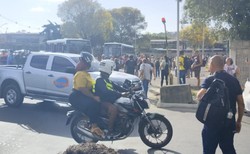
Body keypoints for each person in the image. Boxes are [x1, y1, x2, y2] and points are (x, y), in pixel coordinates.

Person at [197, 55, 244, 154]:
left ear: (212, 65)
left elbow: (199, 96)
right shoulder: (234, 80)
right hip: (228, 122)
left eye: (209, 64)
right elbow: (240, 102)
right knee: (229, 150)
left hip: (211, 123)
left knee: (208, 151)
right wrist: (239, 121)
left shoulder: (210, 79)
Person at [68, 52, 104, 138]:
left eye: (80, 61)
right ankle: (94, 126)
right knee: (93, 104)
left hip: (81, 95)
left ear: (85, 64)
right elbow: (82, 89)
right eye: (79, 61)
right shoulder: (80, 74)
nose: (78, 63)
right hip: (77, 96)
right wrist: (94, 97)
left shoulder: (86, 74)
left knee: (99, 104)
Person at [94, 59, 128, 136]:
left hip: (108, 100)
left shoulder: (106, 79)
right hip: (101, 102)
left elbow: (116, 86)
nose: (112, 70)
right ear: (107, 68)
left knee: (122, 108)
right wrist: (120, 94)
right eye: (111, 68)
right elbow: (106, 91)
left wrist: (128, 90)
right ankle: (109, 130)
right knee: (114, 109)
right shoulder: (99, 80)